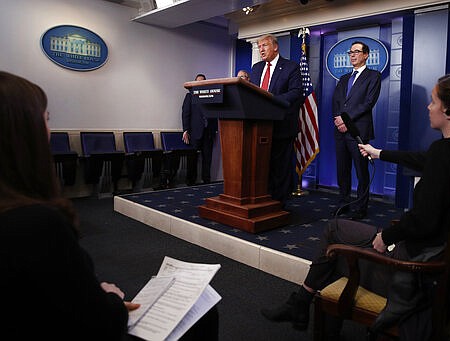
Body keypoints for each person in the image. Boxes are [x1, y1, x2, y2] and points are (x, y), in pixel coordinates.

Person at [260, 73, 450, 339]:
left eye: (433, 102)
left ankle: (303, 305)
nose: (428, 107)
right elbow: (424, 160)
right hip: (446, 263)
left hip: (415, 269)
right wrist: (379, 153)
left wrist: (386, 237)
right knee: (337, 237)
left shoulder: (444, 153)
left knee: (334, 240)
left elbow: (423, 220)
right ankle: (301, 304)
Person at [0, 71, 218, 340]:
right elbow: (96, 322)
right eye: (46, 120)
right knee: (203, 313)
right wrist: (110, 299)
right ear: (24, 134)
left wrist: (86, 293)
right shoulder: (37, 224)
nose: (49, 131)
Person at [250, 34, 304, 205]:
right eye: (259, 47)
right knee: (261, 166)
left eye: (264, 45)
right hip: (259, 127)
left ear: (275, 47)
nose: (261, 49)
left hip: (282, 126)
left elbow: (296, 92)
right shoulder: (257, 67)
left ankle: (279, 203)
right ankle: (263, 199)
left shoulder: (291, 67)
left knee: (280, 167)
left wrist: (271, 100)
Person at [332, 41, 382, 220]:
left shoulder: (373, 76)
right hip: (340, 131)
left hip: (359, 130)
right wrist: (339, 120)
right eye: (350, 52)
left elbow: (368, 102)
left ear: (366, 55)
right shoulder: (344, 78)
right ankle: (343, 203)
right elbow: (336, 101)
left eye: (356, 52)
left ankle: (361, 207)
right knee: (342, 169)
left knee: (361, 171)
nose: (352, 55)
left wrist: (345, 119)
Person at [181, 73, 218, 186]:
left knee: (207, 159)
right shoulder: (190, 96)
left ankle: (206, 181)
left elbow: (215, 114)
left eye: (203, 81)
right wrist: (185, 130)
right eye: (198, 81)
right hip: (195, 132)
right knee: (192, 159)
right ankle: (190, 182)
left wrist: (215, 130)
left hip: (208, 133)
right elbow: (185, 114)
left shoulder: (211, 96)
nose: (200, 83)